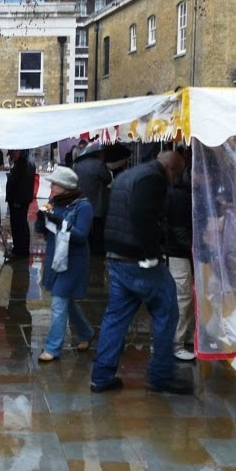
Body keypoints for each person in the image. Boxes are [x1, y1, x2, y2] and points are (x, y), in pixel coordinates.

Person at [90, 151, 191, 394]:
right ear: (173, 170)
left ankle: (101, 377)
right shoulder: (154, 178)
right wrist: (151, 254)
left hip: (116, 256)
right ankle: (161, 376)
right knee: (168, 310)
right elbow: (141, 215)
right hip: (138, 260)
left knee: (115, 318)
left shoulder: (129, 175)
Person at [34, 167, 95, 361]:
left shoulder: (83, 206)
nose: (51, 186)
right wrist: (40, 220)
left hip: (73, 261)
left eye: (54, 184)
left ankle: (52, 348)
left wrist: (59, 221)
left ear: (65, 187)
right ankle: (85, 332)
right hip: (55, 258)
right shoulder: (54, 203)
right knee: (66, 301)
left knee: (59, 302)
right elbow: (42, 231)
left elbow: (80, 235)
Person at [166, 154, 195, 361]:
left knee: (184, 297)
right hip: (177, 253)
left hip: (178, 252)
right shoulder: (181, 195)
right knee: (182, 298)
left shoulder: (179, 192)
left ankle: (183, 338)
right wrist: (196, 248)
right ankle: (175, 343)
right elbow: (179, 230)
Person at [73, 143, 113, 256]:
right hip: (97, 203)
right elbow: (108, 179)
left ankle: (85, 248)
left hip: (80, 200)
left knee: (83, 226)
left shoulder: (77, 164)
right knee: (97, 228)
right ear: (97, 153)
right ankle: (97, 251)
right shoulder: (99, 164)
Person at [5, 149, 36, 258]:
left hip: (19, 200)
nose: (12, 156)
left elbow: (23, 184)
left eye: (12, 154)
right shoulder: (25, 161)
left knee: (19, 225)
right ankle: (20, 249)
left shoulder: (24, 163)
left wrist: (17, 200)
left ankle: (19, 251)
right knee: (21, 224)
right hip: (20, 199)